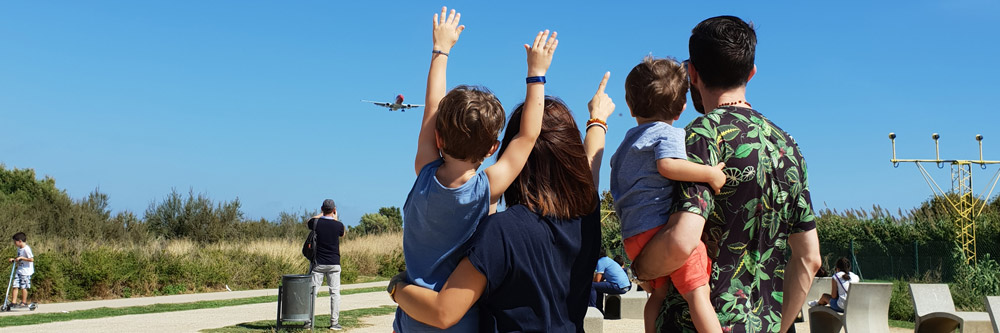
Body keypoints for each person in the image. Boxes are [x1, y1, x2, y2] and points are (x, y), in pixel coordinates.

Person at [631, 16, 822, 333]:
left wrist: (640, 267)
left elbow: (682, 241)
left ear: (692, 73)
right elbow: (809, 258)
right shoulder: (788, 147)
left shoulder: (697, 139)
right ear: (751, 73)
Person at [388, 72, 616, 331]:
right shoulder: (586, 212)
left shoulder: (501, 232)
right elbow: (589, 171)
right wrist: (597, 121)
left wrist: (398, 288)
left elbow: (444, 311)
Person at [394, 7, 556, 332]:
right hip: (461, 321)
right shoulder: (488, 186)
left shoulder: (424, 169)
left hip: (411, 320)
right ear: (493, 149)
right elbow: (528, 136)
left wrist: (441, 50)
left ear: (437, 136)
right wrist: (536, 73)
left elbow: (433, 106)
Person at [610, 56, 726, 333]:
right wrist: (710, 174)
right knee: (699, 295)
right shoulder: (667, 133)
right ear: (682, 107)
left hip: (633, 237)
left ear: (629, 104)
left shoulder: (627, 143)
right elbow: (668, 165)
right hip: (660, 233)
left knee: (656, 296)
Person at [308, 199, 346, 330]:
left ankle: (308, 321)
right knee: (335, 293)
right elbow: (343, 233)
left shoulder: (316, 223)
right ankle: (334, 322)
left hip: (319, 263)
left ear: (322, 209)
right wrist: (335, 218)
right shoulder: (338, 225)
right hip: (334, 263)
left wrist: (320, 214)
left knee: (313, 292)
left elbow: (309, 221)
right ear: (334, 209)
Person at [590, 249, 631, 314]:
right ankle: (599, 310)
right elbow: (600, 280)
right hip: (625, 287)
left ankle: (592, 309)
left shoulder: (601, 261)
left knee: (591, 285)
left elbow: (597, 280)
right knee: (599, 287)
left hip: (618, 286)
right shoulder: (608, 260)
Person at [7, 232, 34, 308]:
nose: (14, 243)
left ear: (19, 241)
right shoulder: (19, 249)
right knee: (15, 285)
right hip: (19, 270)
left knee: (23, 287)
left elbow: (31, 259)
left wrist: (22, 258)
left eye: (15, 242)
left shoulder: (26, 249)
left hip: (26, 271)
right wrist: (14, 259)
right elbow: (19, 258)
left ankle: (24, 302)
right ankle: (13, 302)